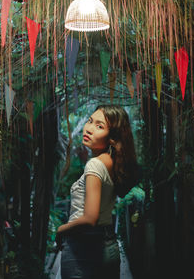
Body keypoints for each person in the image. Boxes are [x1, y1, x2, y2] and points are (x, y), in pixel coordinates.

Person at [56, 104, 138, 279]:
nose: (89, 129)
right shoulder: (112, 162)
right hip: (108, 245)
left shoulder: (95, 165)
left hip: (84, 248)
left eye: (100, 126)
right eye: (90, 121)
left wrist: (61, 230)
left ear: (112, 137)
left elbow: (90, 218)